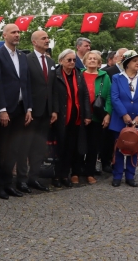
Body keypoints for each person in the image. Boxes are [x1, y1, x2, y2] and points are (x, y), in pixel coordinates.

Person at [0, 24, 33, 200]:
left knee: (13, 149)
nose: (17, 35)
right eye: (13, 32)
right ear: (4, 35)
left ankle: (8, 184)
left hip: (21, 109)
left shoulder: (22, 56)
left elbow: (26, 83)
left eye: (18, 32)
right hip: (6, 110)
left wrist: (29, 107)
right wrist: (2, 109)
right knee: (1, 149)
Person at [109, 50, 138, 187]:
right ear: (127, 64)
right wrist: (124, 114)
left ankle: (130, 175)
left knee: (134, 147)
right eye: (134, 60)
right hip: (120, 119)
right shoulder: (117, 78)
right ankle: (117, 175)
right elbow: (114, 97)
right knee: (119, 147)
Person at [22, 31, 56, 192]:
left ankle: (33, 178)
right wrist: (27, 108)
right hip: (31, 111)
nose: (47, 40)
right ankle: (21, 180)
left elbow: (53, 88)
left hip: (46, 112)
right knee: (25, 145)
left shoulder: (50, 63)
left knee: (39, 147)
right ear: (34, 42)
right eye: (44, 38)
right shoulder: (26, 60)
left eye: (48, 38)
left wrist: (54, 110)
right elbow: (25, 86)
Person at [52, 49, 91, 187]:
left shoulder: (79, 75)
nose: (72, 62)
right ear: (61, 60)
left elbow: (85, 95)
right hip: (61, 116)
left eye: (74, 60)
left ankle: (65, 175)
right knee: (59, 148)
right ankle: (56, 176)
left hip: (76, 118)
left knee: (71, 148)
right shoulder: (55, 75)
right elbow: (52, 95)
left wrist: (87, 114)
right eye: (69, 60)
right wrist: (54, 111)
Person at [81, 51, 112, 185]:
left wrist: (107, 114)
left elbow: (110, 97)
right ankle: (76, 171)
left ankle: (89, 173)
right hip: (80, 115)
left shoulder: (105, 77)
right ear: (85, 61)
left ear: (99, 63)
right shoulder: (79, 74)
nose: (92, 60)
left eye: (95, 59)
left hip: (97, 116)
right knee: (79, 145)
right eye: (90, 58)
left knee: (93, 147)